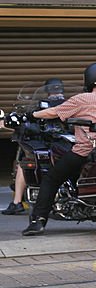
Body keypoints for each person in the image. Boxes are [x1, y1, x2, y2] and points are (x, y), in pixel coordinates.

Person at [22, 64, 96, 236]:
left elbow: (54, 112)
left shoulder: (82, 99)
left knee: (51, 179)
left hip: (87, 150)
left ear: (88, 80)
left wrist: (30, 115)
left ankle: (38, 221)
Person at [3, 78, 65, 215]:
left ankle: (17, 202)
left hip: (47, 141)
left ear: (47, 90)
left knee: (24, 163)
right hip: (66, 142)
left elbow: (31, 116)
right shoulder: (68, 103)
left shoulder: (42, 106)